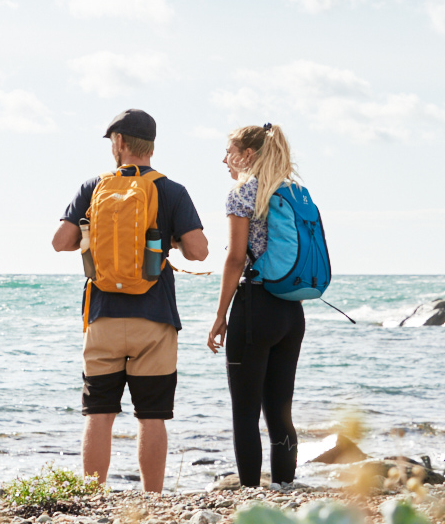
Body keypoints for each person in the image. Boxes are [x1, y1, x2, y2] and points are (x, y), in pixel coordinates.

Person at [50, 109, 208, 494]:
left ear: (119, 142)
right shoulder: (172, 190)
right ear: (151, 145)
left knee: (99, 413)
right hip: (154, 320)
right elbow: (199, 251)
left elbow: (60, 242)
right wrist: (167, 240)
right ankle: (152, 498)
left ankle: (92, 495)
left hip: (103, 317)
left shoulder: (93, 187)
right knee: (151, 416)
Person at [205, 120, 303, 487]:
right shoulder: (293, 191)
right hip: (291, 311)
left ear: (247, 154)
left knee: (245, 412)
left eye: (229, 151)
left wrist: (220, 315)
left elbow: (235, 258)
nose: (224, 159)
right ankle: (284, 486)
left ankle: (249, 492)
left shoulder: (243, 193)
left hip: (255, 307)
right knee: (280, 409)